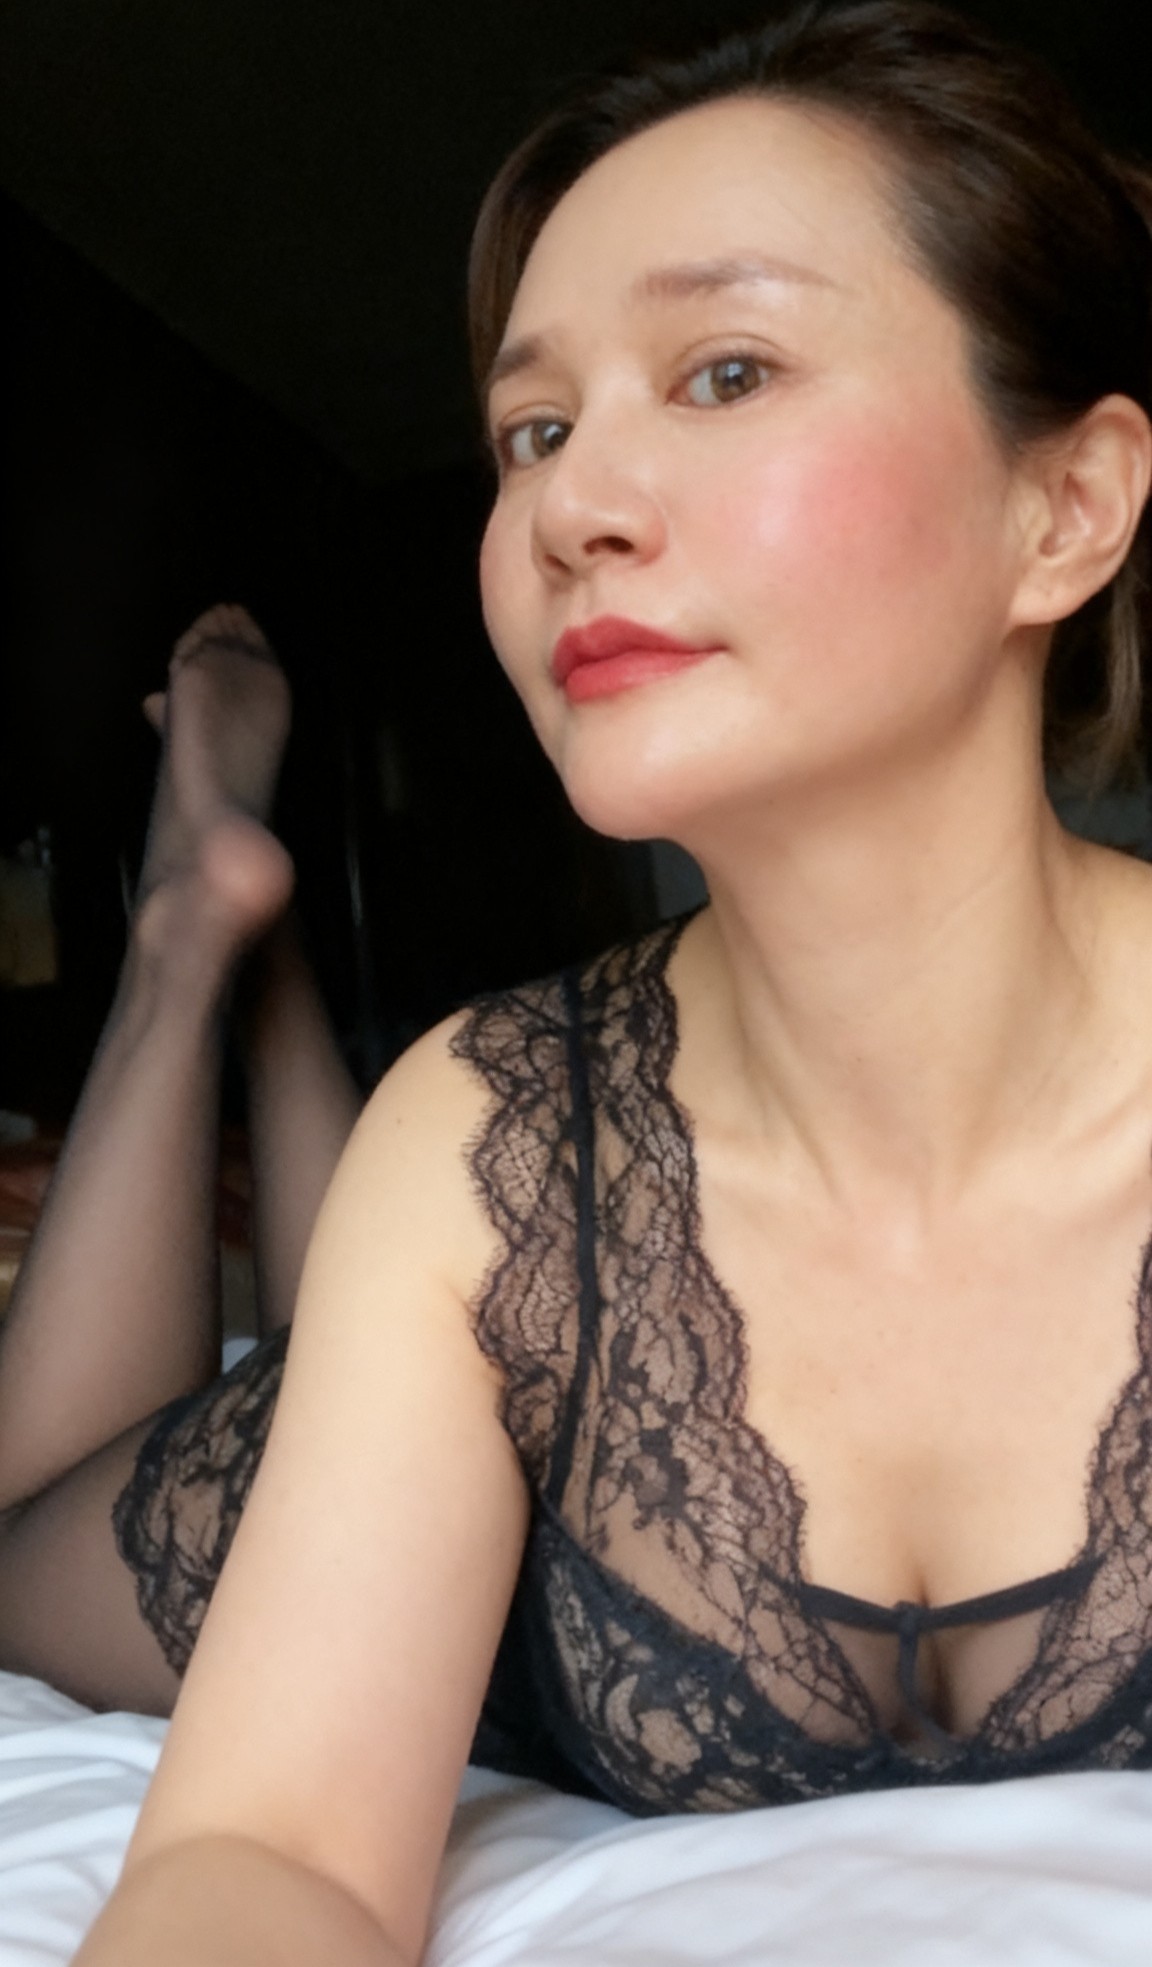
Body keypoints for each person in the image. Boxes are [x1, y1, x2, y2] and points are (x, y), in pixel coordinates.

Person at [4, 0, 1152, 1957]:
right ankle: (205, 941)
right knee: (17, 1560)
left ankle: (258, 967)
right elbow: (263, 1856)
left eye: (726, 371)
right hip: (520, 1206)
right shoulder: (493, 1126)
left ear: (1067, 508)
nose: (567, 507)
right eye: (532, 431)